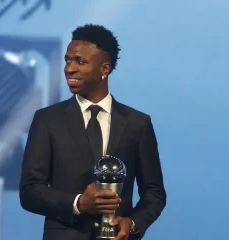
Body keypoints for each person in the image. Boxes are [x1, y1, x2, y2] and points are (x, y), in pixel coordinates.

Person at [19, 24, 166, 240]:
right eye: (68, 60)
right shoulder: (48, 120)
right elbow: (30, 191)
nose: (69, 68)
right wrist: (79, 203)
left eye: (80, 61)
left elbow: (154, 193)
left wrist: (133, 223)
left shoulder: (138, 123)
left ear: (104, 69)